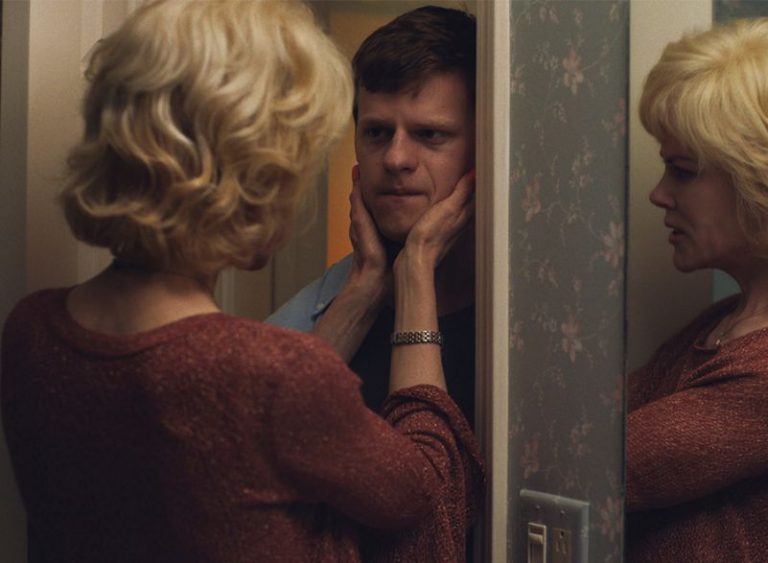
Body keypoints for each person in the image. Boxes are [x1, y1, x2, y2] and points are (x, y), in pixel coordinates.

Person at [0, 2, 483, 562]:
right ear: (255, 174)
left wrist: (371, 284)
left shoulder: (31, 329)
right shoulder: (266, 371)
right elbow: (425, 498)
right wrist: (416, 267)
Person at [268, 6, 477, 427]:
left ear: (483, 150)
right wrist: (366, 285)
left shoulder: (525, 324)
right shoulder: (296, 324)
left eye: (429, 134)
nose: (396, 158)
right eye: (377, 133)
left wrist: (416, 262)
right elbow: (260, 450)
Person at [627, 17, 768, 561]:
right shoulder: (720, 325)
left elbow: (589, 465)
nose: (659, 194)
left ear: (755, 179)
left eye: (681, 170)